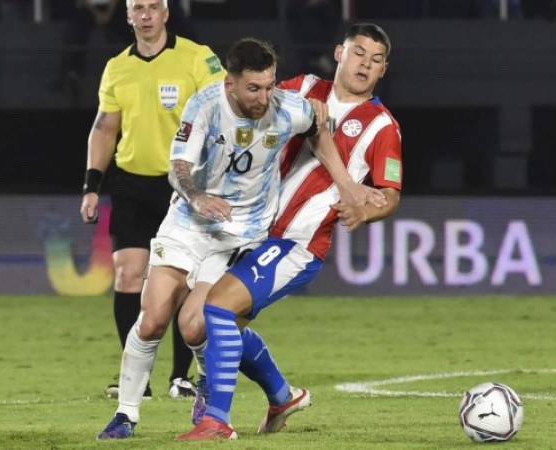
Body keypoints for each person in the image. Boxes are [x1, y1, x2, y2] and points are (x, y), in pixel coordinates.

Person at [96, 35, 377, 440]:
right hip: (189, 223)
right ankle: (126, 413)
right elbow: (178, 167)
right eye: (254, 88)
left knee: (195, 326)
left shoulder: (286, 108)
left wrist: (346, 183)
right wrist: (198, 196)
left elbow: (317, 129)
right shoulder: (206, 106)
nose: (265, 97)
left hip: (239, 237)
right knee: (154, 318)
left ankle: (209, 384)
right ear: (230, 83)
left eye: (269, 85)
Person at [175, 22, 402, 441]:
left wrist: (365, 211)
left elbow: (389, 194)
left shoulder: (382, 126)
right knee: (193, 324)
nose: (364, 64)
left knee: (221, 307)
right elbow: (254, 105)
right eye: (358, 53)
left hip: (297, 242)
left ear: (383, 70)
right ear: (339, 53)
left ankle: (216, 420)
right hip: (249, 229)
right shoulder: (303, 90)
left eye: (375, 60)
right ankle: (283, 397)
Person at [79, 0, 225, 403]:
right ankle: (135, 380)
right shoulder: (117, 67)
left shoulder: (197, 58)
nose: (145, 15)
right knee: (128, 275)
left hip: (184, 188)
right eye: (137, 8)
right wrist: (92, 185)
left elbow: (224, 113)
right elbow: (105, 127)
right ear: (128, 16)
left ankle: (180, 376)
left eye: (152, 7)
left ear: (165, 13)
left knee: (180, 282)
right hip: (131, 185)